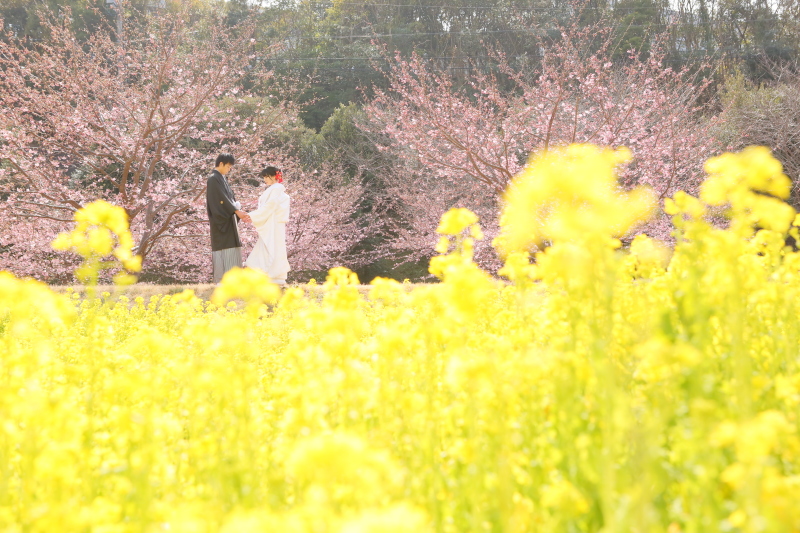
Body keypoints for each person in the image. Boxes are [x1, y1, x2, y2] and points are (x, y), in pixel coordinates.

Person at [206, 153, 252, 284]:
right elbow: (221, 199)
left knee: (231, 247)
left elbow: (229, 198)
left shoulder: (221, 178)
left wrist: (236, 209)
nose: (229, 169)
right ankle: (223, 280)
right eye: (228, 166)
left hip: (228, 218)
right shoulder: (213, 179)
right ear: (220, 164)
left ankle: (233, 279)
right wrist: (236, 210)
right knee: (223, 247)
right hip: (221, 220)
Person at [244, 166, 291, 285]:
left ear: (274, 176)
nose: (265, 179)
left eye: (266, 176)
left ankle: (272, 274)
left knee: (270, 246)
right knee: (273, 246)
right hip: (273, 223)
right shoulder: (276, 189)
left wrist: (253, 215)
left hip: (273, 223)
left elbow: (270, 205)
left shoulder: (276, 189)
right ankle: (274, 274)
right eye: (264, 177)